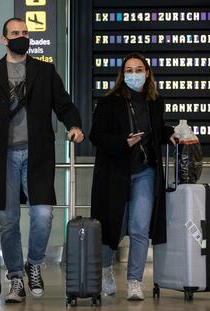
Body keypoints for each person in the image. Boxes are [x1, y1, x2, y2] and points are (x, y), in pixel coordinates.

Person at [0, 17, 84, 303]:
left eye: (25, 33)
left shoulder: (45, 71)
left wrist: (74, 125)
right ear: (4, 39)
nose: (21, 37)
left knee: (43, 214)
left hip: (38, 154)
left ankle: (34, 263)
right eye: (15, 33)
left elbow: (64, 105)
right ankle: (15, 277)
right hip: (3, 155)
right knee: (9, 219)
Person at [89, 52, 176, 300]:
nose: (134, 74)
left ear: (147, 73)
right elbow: (97, 136)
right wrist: (122, 143)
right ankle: (105, 271)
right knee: (111, 227)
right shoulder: (108, 102)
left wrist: (168, 131)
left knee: (139, 227)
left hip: (145, 171)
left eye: (139, 69)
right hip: (115, 172)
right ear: (122, 74)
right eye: (129, 70)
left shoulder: (155, 101)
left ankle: (135, 281)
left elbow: (155, 130)